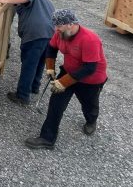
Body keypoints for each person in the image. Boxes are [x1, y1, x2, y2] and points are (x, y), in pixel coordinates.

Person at [25, 9, 107, 149]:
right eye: (55, 26)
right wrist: (50, 67)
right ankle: (47, 139)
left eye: (59, 26)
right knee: (56, 104)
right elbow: (51, 48)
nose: (56, 29)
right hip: (69, 71)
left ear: (70, 24)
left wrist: (63, 82)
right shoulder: (61, 34)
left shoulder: (89, 39)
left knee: (89, 104)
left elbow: (89, 68)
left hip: (90, 79)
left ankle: (91, 120)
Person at [0, 0, 55, 105]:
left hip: (35, 35)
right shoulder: (45, 0)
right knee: (40, 62)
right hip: (50, 35)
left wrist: (5, 0)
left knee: (29, 65)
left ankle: (22, 96)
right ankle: (34, 87)